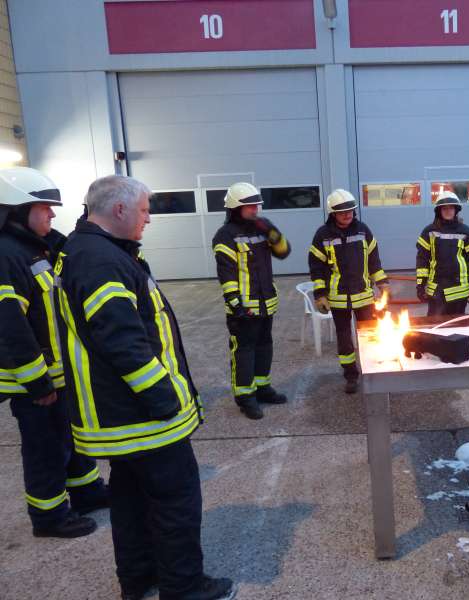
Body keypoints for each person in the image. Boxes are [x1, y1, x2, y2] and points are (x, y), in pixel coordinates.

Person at [56, 175, 234, 600]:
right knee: (175, 503)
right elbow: (123, 343)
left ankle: (138, 579)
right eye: (143, 211)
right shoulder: (101, 261)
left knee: (132, 502)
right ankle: (185, 588)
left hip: (119, 417)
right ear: (118, 211)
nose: (148, 219)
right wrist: (165, 399)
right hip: (142, 418)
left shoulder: (87, 251)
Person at [0, 167, 108, 538]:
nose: (51, 214)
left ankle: (87, 491)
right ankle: (49, 517)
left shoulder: (36, 247)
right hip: (35, 381)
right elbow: (10, 326)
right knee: (45, 449)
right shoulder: (6, 255)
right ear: (16, 210)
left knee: (70, 436)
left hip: (59, 373)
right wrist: (37, 381)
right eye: (45, 207)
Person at [212, 182, 291, 420]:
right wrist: (236, 303)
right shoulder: (225, 236)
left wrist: (272, 234)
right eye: (250, 206)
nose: (256, 209)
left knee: (264, 347)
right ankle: (246, 397)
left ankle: (263, 388)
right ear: (236, 208)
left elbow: (284, 252)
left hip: (266, 302)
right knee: (243, 352)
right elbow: (226, 272)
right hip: (244, 308)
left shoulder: (262, 228)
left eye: (257, 204)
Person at [308, 189, 389, 393]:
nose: (347, 214)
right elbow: (317, 267)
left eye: (351, 210)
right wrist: (320, 294)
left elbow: (374, 261)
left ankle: (372, 370)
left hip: (363, 295)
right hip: (338, 298)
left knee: (369, 334)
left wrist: (383, 284)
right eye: (342, 211)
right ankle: (351, 375)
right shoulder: (322, 235)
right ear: (332, 213)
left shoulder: (363, 231)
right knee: (344, 339)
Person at [416, 191, 469, 316]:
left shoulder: (467, 232)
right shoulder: (429, 232)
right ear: (439, 211)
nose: (448, 211)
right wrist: (420, 286)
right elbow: (422, 260)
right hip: (436, 290)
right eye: (444, 208)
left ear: (456, 210)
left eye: (451, 208)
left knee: (456, 329)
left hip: (460, 291)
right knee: (435, 328)